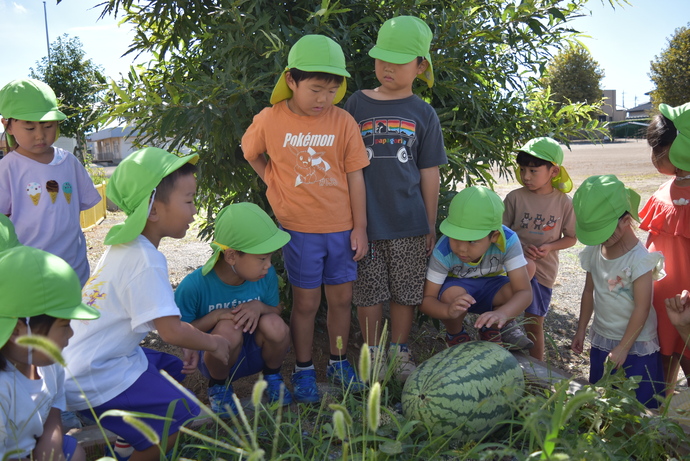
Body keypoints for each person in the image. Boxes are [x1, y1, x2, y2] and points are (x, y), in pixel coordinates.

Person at [62, 147, 232, 461]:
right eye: (189, 200)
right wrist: (212, 342)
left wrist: (188, 339)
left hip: (81, 361)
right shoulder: (145, 259)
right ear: (153, 209)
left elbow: (168, 328)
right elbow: (170, 331)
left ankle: (130, 436)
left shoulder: (124, 246)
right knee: (177, 416)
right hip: (95, 374)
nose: (195, 211)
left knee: (172, 368)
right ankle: (136, 451)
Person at [242, 35, 370, 402]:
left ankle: (338, 361)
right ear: (291, 80)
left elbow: (355, 175)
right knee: (306, 303)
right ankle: (302, 370)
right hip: (298, 231)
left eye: (331, 90)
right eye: (315, 89)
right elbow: (250, 151)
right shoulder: (270, 119)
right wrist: (271, 180)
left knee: (342, 299)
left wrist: (359, 226)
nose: (323, 99)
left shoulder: (343, 122)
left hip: (342, 229)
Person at [343, 15, 447, 381]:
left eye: (399, 60)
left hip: (408, 222)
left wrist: (429, 223)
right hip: (364, 224)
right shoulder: (355, 104)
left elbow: (429, 172)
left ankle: (399, 353)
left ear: (420, 66)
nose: (387, 66)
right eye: (382, 57)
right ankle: (372, 355)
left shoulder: (423, 113)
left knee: (406, 292)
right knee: (368, 294)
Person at [175, 203, 293, 413]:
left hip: (256, 352)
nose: (268, 265)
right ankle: (219, 388)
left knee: (275, 324)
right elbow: (180, 332)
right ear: (231, 256)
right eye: (262, 258)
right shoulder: (194, 286)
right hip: (216, 357)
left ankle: (272, 376)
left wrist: (259, 307)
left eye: (270, 258)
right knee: (228, 328)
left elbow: (276, 309)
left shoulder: (265, 276)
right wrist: (216, 316)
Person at [570, 174, 664, 409]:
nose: (601, 239)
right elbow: (588, 291)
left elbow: (642, 307)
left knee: (636, 408)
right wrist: (581, 329)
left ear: (625, 220)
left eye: (604, 232)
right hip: (604, 338)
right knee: (603, 403)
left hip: (635, 344)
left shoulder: (639, 260)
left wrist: (623, 347)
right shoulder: (595, 250)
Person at [0, 244, 101, 461]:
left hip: (33, 446)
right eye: (64, 325)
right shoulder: (3, 388)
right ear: (19, 330)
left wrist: (51, 438)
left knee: (74, 452)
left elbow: (53, 404)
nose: (71, 333)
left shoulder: (49, 364)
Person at [0, 78, 101, 287]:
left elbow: (77, 209)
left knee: (74, 319)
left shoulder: (69, 162)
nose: (40, 135)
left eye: (48, 126)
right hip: (29, 275)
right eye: (29, 128)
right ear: (7, 125)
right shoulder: (8, 168)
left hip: (74, 271)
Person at [420, 186, 532, 347]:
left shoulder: (508, 240)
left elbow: (525, 292)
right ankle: (455, 334)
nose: (461, 248)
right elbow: (427, 299)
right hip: (457, 291)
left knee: (516, 288)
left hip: (493, 287)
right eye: (455, 237)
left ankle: (491, 328)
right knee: (451, 294)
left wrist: (503, 313)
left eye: (472, 241)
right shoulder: (443, 249)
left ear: (494, 236)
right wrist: (447, 311)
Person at [502, 137, 577, 360]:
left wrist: (549, 246)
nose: (526, 176)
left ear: (554, 172)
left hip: (544, 274)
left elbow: (572, 238)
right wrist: (520, 248)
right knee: (504, 323)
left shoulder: (564, 202)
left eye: (533, 171)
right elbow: (500, 233)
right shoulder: (514, 198)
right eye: (523, 169)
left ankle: (538, 372)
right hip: (514, 270)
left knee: (534, 326)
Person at [639, 101, 690, 394]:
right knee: (660, 377)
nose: (653, 156)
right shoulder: (663, 191)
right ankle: (660, 429)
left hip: (686, 302)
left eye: (658, 148)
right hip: (659, 302)